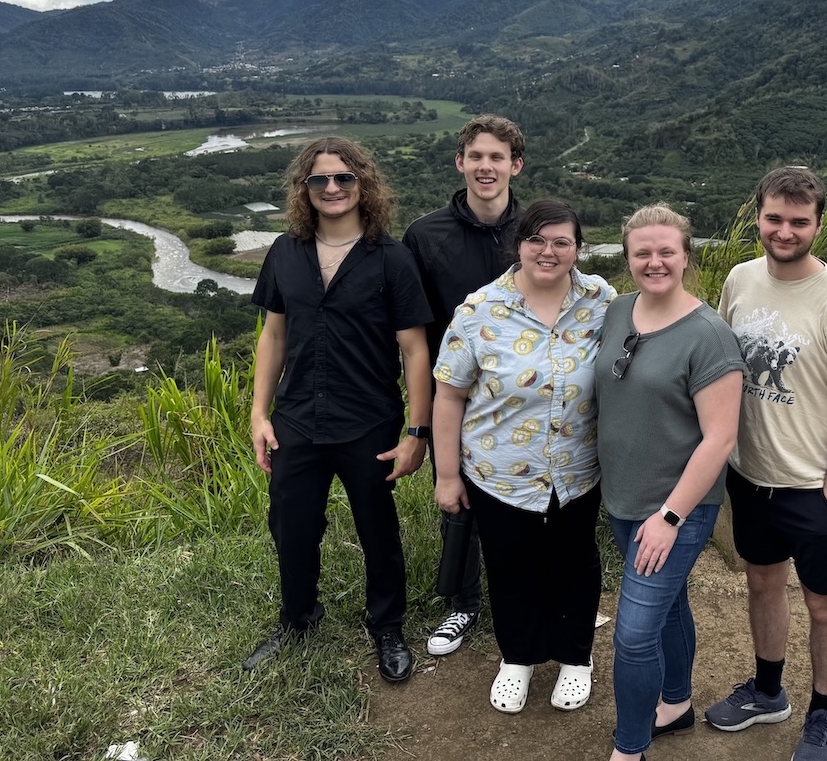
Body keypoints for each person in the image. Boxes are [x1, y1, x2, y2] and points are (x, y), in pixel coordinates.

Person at [245, 136, 432, 684]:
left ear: (363, 185)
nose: (332, 188)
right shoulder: (285, 252)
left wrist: (416, 431)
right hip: (297, 416)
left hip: (367, 417)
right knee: (292, 523)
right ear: (304, 189)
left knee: (377, 527)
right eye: (320, 180)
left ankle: (388, 625)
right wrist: (259, 415)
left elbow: (416, 349)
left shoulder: (391, 259)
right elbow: (273, 335)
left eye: (344, 178)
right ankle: (298, 619)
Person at [707, 167, 827, 761]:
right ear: (758, 216)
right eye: (774, 218)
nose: (784, 231)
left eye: (799, 222)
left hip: (811, 485)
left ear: (818, 225)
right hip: (751, 476)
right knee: (762, 581)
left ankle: (823, 714)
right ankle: (768, 690)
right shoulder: (739, 279)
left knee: (824, 602)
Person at [431, 199, 614, 714]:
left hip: (577, 469)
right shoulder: (479, 310)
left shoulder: (601, 299)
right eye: (537, 239)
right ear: (518, 243)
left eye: (562, 241)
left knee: (575, 563)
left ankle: (576, 657)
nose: (548, 251)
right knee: (510, 566)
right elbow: (448, 396)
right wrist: (448, 476)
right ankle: (519, 657)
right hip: (499, 472)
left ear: (578, 248)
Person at [594, 205, 744, 761]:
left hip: (677, 508)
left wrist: (670, 518)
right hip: (623, 498)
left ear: (686, 256)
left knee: (633, 634)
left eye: (666, 252)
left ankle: (629, 747)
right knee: (670, 604)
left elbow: (719, 439)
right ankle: (675, 703)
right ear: (628, 257)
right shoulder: (618, 311)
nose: (654, 262)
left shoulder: (709, 336)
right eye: (641, 253)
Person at [402, 113, 525, 657]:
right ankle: (464, 604)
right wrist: (418, 419)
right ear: (460, 163)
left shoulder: (536, 233)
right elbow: (413, 334)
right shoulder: (425, 236)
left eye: (497, 157)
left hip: (523, 395)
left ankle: (533, 592)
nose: (486, 167)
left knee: (531, 497)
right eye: (476, 156)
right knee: (457, 498)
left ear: (515, 166)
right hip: (455, 395)